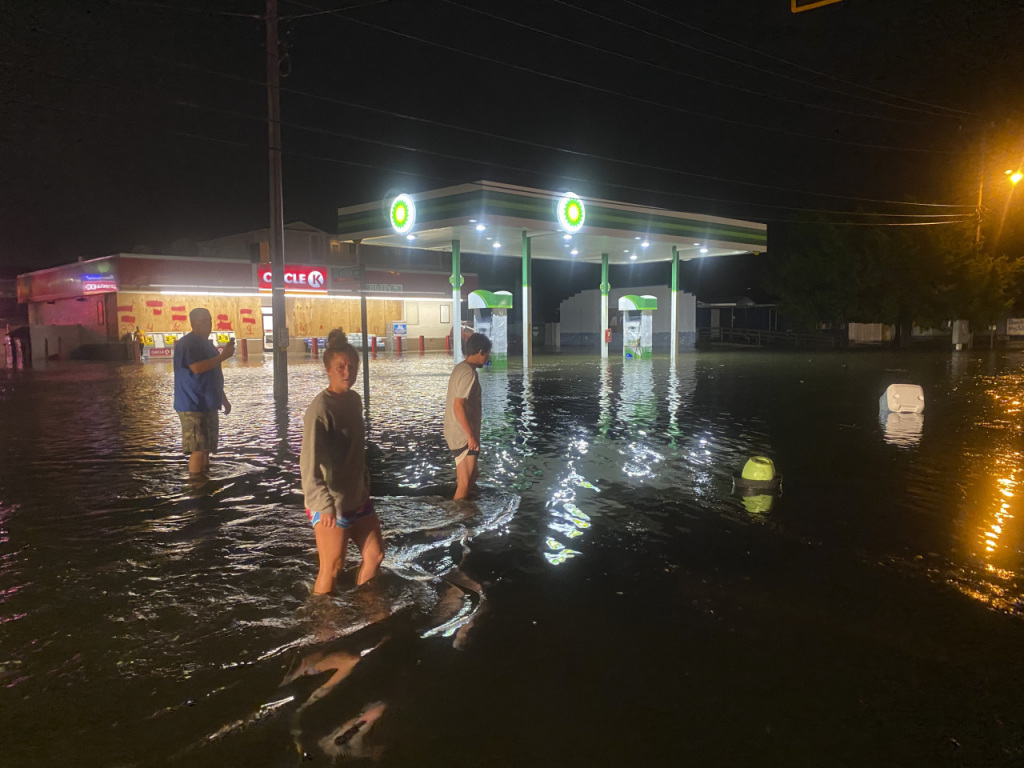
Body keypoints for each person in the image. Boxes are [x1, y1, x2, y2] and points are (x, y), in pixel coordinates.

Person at [301, 328, 384, 594]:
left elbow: (356, 451)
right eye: (340, 367)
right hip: (331, 503)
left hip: (357, 497)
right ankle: (324, 625)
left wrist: (364, 483)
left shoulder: (354, 400)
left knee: (375, 555)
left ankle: (366, 607)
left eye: (352, 366)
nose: (347, 372)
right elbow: (308, 464)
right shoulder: (320, 410)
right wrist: (324, 505)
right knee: (332, 567)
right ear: (328, 369)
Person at [173, 308, 234, 475]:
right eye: (204, 321)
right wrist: (223, 356)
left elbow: (213, 373)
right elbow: (197, 368)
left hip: (208, 403)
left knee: (206, 448)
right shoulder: (188, 343)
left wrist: (223, 398)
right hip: (192, 404)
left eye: (210, 320)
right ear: (193, 323)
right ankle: (196, 486)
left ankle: (205, 480)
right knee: (198, 449)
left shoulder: (207, 344)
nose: (209, 324)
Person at [444, 332, 491, 500]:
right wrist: (470, 436)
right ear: (481, 352)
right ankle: (456, 520)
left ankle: (466, 511)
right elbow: (458, 406)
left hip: (456, 431)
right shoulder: (468, 374)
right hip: (462, 434)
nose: (487, 358)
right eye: (488, 353)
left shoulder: (460, 368)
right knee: (464, 483)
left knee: (473, 476)